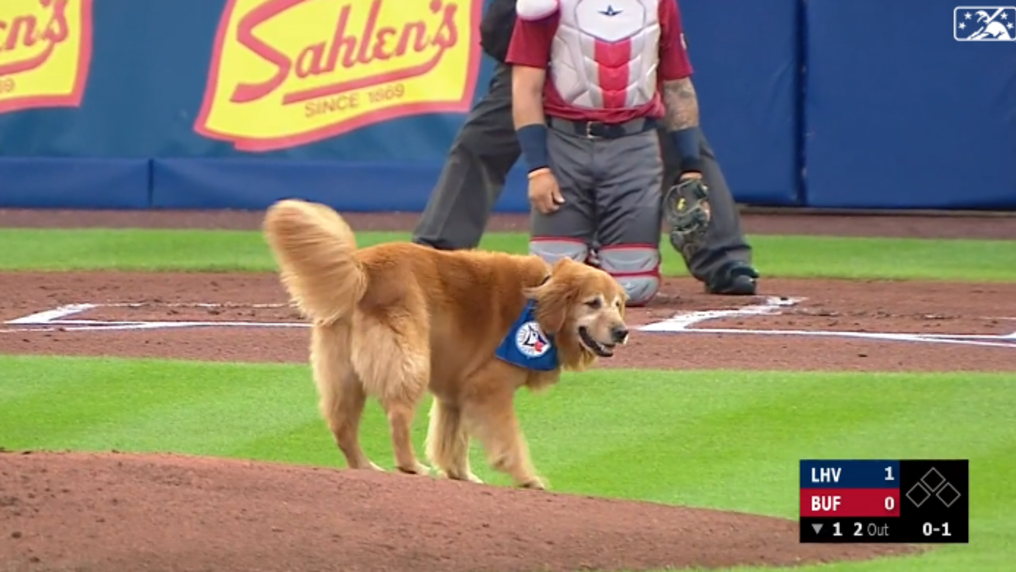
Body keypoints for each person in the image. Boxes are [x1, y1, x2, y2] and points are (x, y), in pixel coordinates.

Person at [410, 0, 759, 296]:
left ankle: (724, 258)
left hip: (619, 45)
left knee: (682, 140)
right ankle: (435, 255)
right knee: (482, 143)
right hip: (544, 41)